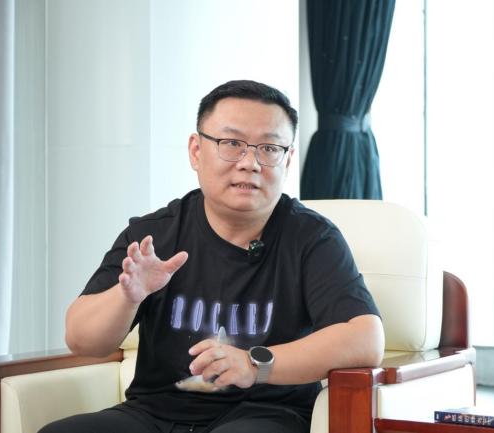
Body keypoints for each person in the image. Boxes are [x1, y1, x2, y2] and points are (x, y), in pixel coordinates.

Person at [40, 80, 384, 433]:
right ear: (196, 151)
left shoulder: (312, 238)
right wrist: (127, 297)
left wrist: (254, 364)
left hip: (266, 415)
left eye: (269, 148)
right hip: (153, 414)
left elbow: (365, 339)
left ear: (288, 160)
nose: (250, 163)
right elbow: (82, 340)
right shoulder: (154, 235)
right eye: (232, 144)